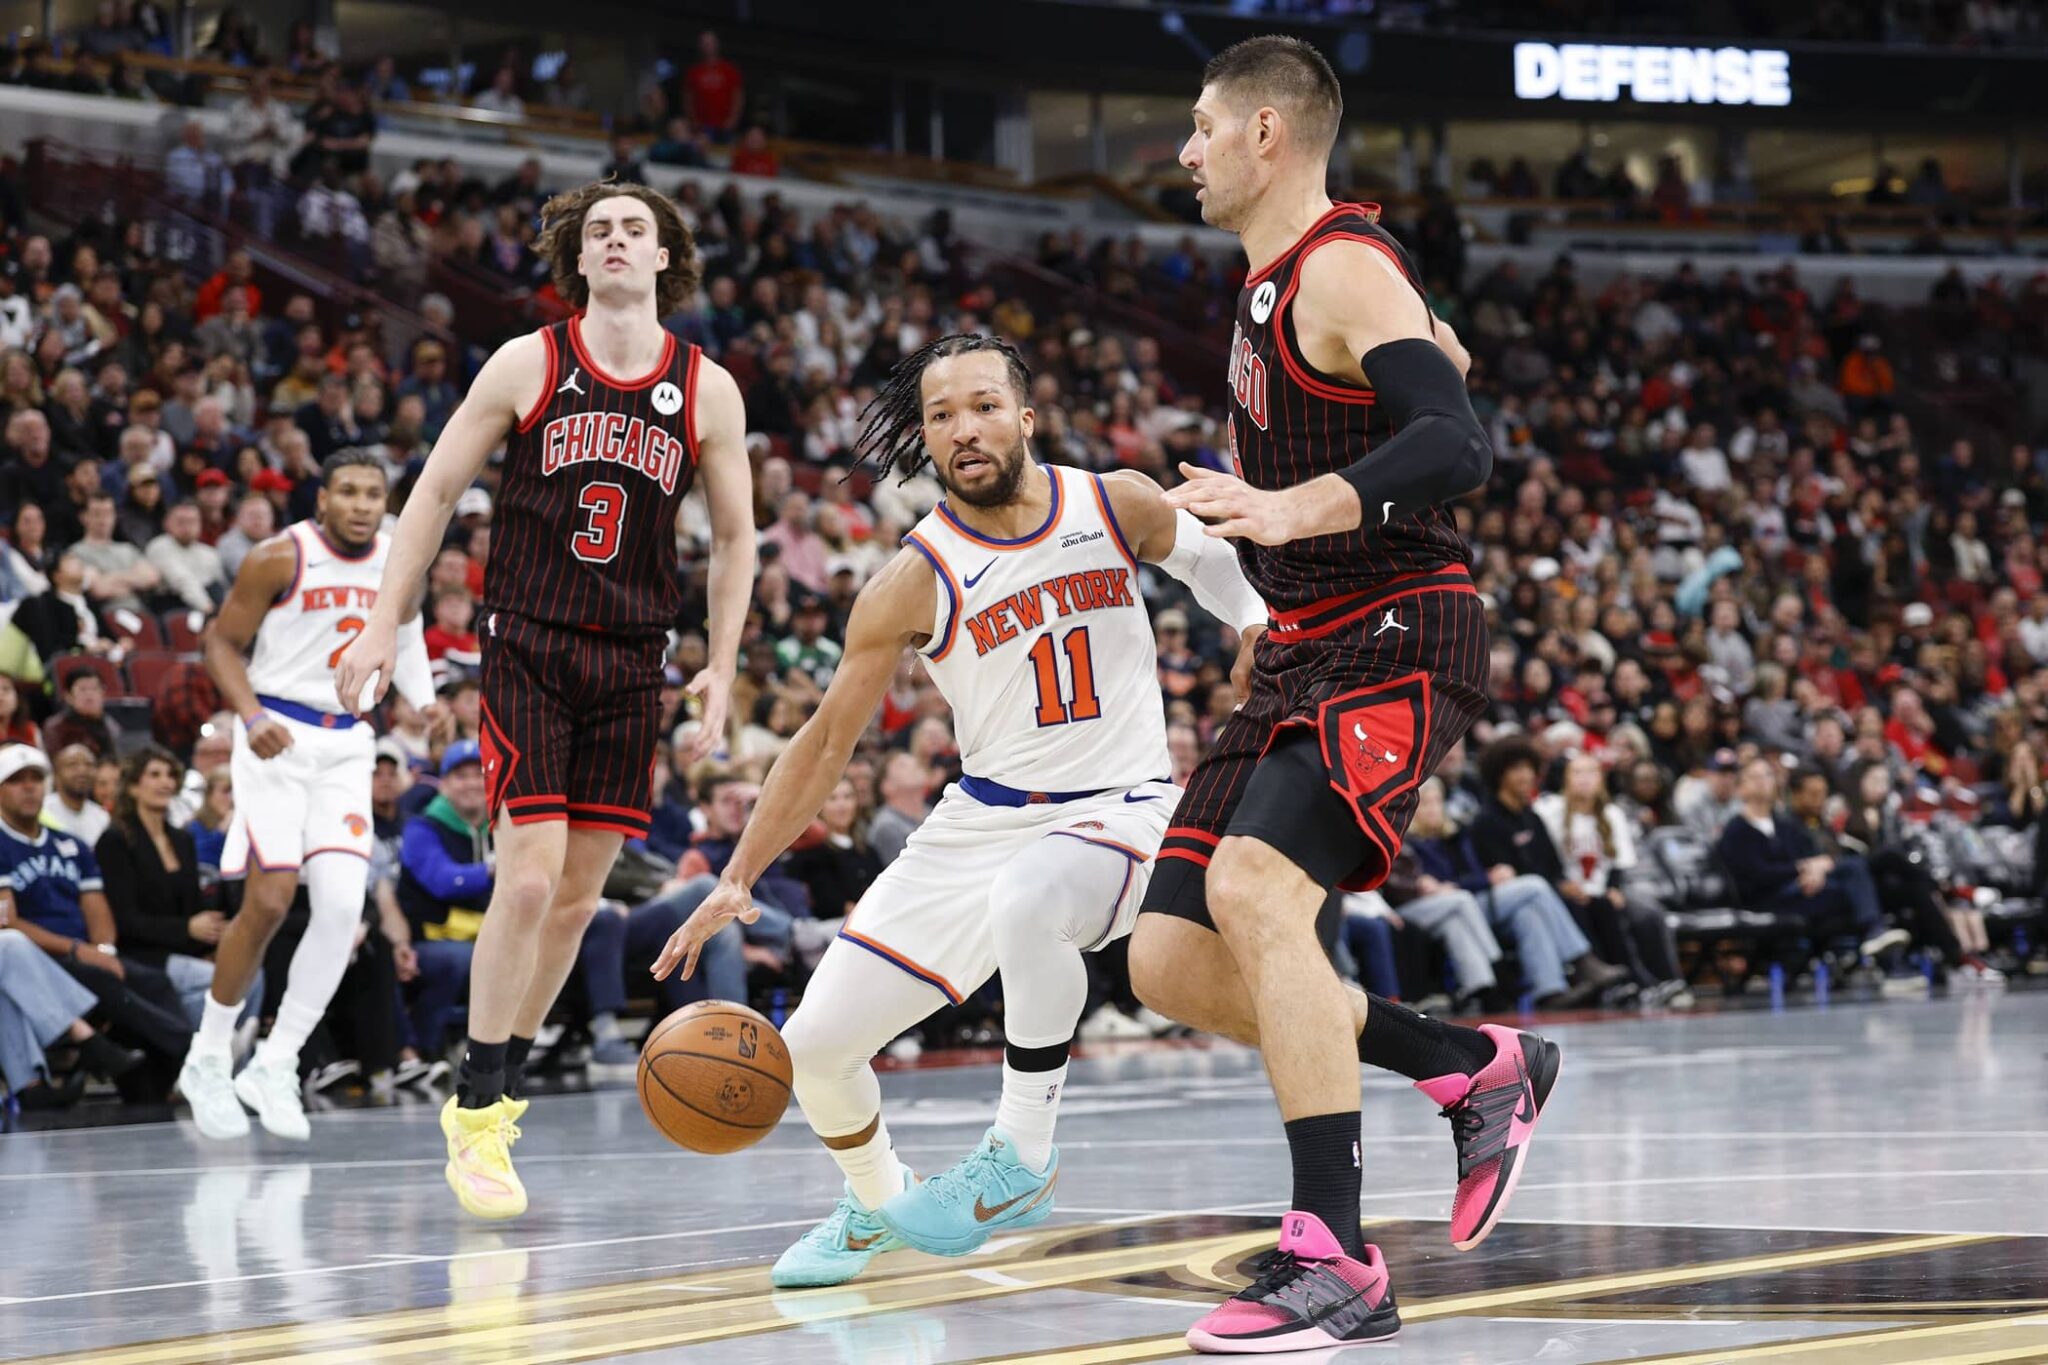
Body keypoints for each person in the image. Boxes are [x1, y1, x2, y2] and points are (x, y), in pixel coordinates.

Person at [653, 331, 1270, 1287]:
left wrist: (1260, 627)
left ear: (1024, 417)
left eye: (983, 406)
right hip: (983, 815)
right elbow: (823, 745)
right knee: (813, 1049)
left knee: (1032, 896)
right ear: (927, 440)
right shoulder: (912, 577)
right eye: (941, 415)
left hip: (1127, 802)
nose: (963, 429)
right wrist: (737, 876)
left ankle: (1020, 1156)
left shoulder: (1113, 501)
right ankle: (872, 1201)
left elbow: (1213, 565)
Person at [1122, 38, 1550, 1351]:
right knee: (1170, 959)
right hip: (1307, 642)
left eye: (1200, 127)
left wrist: (1292, 504)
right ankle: (1468, 1061)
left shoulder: (1342, 262)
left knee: (1258, 894)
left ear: (1265, 131)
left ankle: (1337, 1257)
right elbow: (1440, 365)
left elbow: (1457, 442)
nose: (1184, 153)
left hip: (1398, 628)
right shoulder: (1278, 288)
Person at [335, 180, 754, 1221]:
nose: (615, 241)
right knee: (521, 887)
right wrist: (384, 619)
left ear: (665, 257)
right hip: (525, 640)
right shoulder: (529, 361)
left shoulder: (706, 389)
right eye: (598, 230)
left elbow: (738, 538)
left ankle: (502, 1073)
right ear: (578, 257)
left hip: (631, 660)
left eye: (634, 230)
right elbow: (430, 491)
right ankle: (481, 1102)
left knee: (575, 901)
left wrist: (723, 662)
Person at [176, 450, 440, 1142]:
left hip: (349, 741)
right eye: (347, 491)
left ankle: (277, 1060)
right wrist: (251, 717)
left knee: (347, 910)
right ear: (321, 500)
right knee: (267, 900)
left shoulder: (399, 560)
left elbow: (405, 630)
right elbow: (222, 644)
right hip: (278, 731)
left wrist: (425, 699)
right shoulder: (277, 556)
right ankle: (207, 1054)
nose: (360, 503)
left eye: (373, 493)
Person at [0, 744, 193, 1100]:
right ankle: (193, 1053)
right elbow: (8, 923)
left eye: (35, 779)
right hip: (42, 954)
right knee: (105, 985)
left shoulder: (69, 843)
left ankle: (153, 1083)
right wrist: (81, 951)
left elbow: (96, 906)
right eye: (15, 781)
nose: (28, 788)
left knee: (152, 981)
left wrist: (103, 949)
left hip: (82, 951)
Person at [1716, 755, 1899, 959]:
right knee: (1856, 881)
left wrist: (1816, 871)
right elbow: (1757, 874)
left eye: (1767, 775)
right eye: (1754, 777)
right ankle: (1876, 939)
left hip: (1799, 889)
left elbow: (1807, 857)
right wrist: (1802, 869)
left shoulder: (1784, 824)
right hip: (1766, 898)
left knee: (1859, 877)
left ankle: (1876, 942)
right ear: (1741, 788)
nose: (1763, 781)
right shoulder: (1736, 830)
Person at [41, 742, 111, 846]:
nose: (82, 771)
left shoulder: (102, 817)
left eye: (89, 764)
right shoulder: (42, 810)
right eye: (72, 764)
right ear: (56, 775)